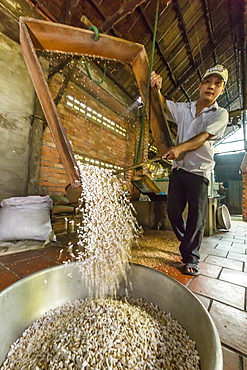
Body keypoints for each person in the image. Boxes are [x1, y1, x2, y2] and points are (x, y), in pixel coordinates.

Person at [150, 65, 229, 275]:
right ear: (200, 85)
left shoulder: (220, 114)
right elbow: (163, 107)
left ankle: (191, 257)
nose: (211, 86)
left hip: (199, 172)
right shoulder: (184, 108)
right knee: (173, 212)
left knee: (196, 216)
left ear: (222, 90)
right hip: (179, 170)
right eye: (207, 81)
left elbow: (203, 137)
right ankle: (187, 242)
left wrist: (179, 148)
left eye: (217, 84)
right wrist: (156, 89)